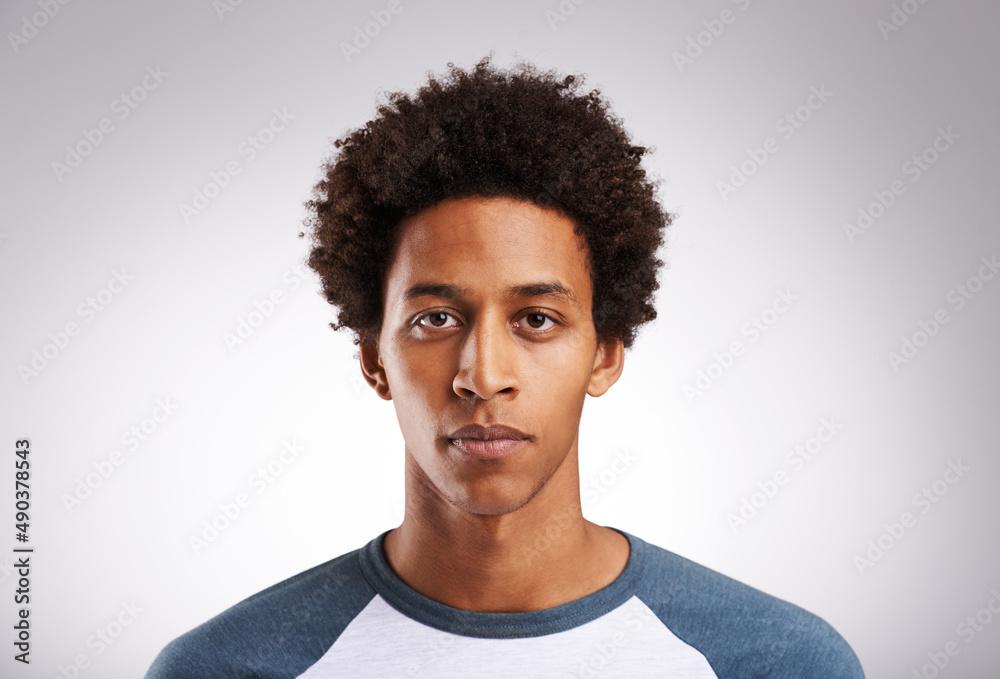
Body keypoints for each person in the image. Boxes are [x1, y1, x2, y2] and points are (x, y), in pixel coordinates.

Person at [144, 54, 864, 678]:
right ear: (373, 359)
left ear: (606, 352)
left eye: (537, 319)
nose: (483, 374)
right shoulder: (233, 665)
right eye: (436, 319)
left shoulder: (774, 661)